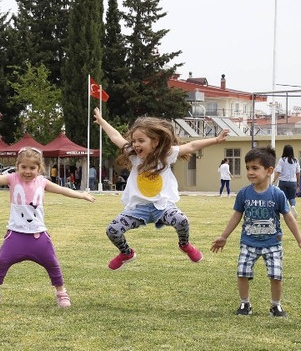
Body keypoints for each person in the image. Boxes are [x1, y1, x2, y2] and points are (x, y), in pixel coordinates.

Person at [0, 147, 95, 309]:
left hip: (38, 236)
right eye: (23, 167)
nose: (27, 171)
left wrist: (81, 195)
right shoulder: (12, 179)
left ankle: (61, 293)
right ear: (17, 166)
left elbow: (63, 190)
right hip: (15, 235)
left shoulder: (43, 182)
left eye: (32, 168)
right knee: (1, 262)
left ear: (39, 169)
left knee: (52, 264)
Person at [93, 107, 229, 270]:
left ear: (155, 142)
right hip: (138, 209)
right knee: (112, 231)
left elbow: (192, 146)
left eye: (141, 141)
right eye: (134, 141)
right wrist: (102, 122)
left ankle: (184, 245)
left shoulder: (167, 154)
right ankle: (126, 253)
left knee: (182, 221)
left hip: (163, 207)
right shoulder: (134, 156)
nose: (136, 144)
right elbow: (116, 137)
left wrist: (216, 139)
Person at [210, 146, 301, 317]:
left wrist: (300, 242)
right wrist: (224, 236)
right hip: (248, 242)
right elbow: (236, 216)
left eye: (255, 168)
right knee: (242, 272)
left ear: (269, 170)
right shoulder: (244, 194)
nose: (250, 172)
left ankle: (276, 306)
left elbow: (289, 218)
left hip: (273, 243)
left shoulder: (277, 194)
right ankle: (245, 304)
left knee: (276, 275)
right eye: (248, 168)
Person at [272, 145, 300, 218]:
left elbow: (278, 171)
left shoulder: (282, 160)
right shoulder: (295, 160)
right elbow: (298, 172)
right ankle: (293, 206)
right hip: (293, 182)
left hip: (283, 181)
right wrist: (298, 182)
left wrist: (274, 180)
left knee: (284, 197)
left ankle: (286, 211)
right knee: (292, 197)